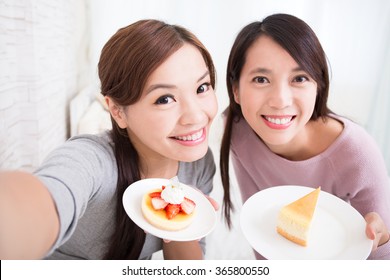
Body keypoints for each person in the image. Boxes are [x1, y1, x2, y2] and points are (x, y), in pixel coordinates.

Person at [0, 19, 218, 260]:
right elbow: (35, 207)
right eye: (165, 99)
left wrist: (183, 223)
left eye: (202, 88)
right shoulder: (91, 160)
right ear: (117, 111)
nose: (196, 116)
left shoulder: (199, 163)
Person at [220, 13, 390, 259]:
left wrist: (382, 238)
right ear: (235, 90)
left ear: (318, 85)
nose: (280, 100)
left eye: (299, 79)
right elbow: (263, 235)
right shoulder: (238, 132)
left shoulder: (357, 153)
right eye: (261, 79)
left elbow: (381, 260)